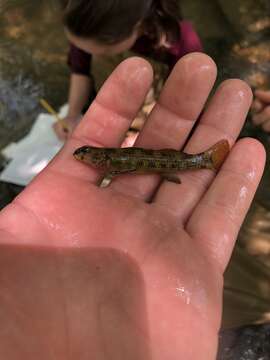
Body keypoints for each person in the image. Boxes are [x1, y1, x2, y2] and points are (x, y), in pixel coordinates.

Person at [0, 54, 265, 359]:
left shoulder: (109, 162)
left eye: (85, 156)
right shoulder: (108, 158)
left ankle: (204, 161)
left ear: (98, 160)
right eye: (84, 156)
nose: (83, 158)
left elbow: (114, 168)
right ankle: (202, 161)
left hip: (173, 162)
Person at [54, 0, 203, 140]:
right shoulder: (85, 27)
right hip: (105, 103)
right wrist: (73, 115)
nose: (82, 50)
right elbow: (80, 70)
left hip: (153, 117)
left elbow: (183, 106)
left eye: (103, 53)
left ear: (137, 26)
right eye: (77, 46)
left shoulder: (181, 44)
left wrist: (144, 136)